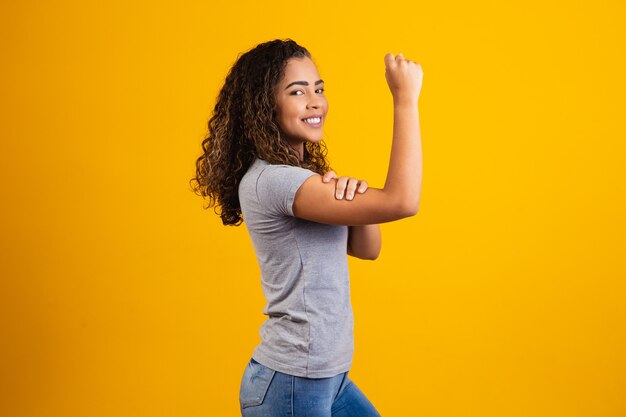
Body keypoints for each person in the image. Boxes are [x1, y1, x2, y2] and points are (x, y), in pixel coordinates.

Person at [191, 39, 423, 417]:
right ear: (266, 106)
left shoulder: (302, 178)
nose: (315, 101)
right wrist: (405, 98)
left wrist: (354, 197)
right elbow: (403, 201)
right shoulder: (276, 181)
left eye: (318, 88)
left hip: (327, 378)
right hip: (292, 382)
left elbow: (367, 248)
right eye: (298, 92)